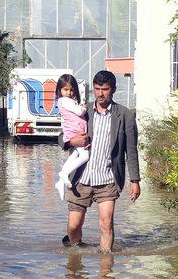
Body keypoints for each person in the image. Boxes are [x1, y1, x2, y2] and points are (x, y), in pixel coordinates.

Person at [58, 70, 141, 253]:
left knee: (106, 225)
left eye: (104, 89)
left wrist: (135, 181)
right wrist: (72, 142)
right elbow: (62, 135)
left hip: (108, 180)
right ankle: (75, 258)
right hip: (81, 179)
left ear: (113, 90)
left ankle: (106, 272)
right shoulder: (83, 110)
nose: (100, 93)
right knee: (73, 226)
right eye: (97, 89)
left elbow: (131, 150)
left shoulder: (125, 115)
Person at [54, 74, 89, 200]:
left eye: (72, 89)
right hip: (74, 133)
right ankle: (64, 173)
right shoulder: (65, 101)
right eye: (66, 89)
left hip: (75, 131)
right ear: (59, 90)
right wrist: (84, 108)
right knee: (85, 156)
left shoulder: (67, 101)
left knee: (73, 156)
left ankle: (60, 182)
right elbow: (79, 112)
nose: (69, 92)